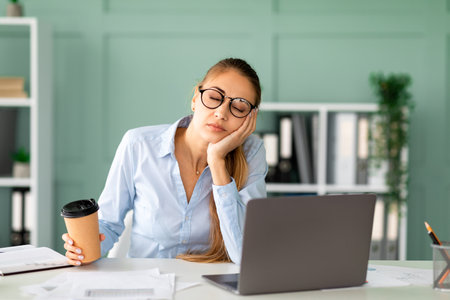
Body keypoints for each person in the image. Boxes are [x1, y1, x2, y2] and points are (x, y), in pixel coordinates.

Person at [62, 58, 268, 265]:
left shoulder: (252, 153)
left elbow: (244, 255)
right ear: (196, 98)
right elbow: (108, 224)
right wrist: (81, 249)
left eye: (239, 108)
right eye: (214, 97)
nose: (221, 113)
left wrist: (216, 161)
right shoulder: (139, 144)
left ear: (250, 119)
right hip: (146, 285)